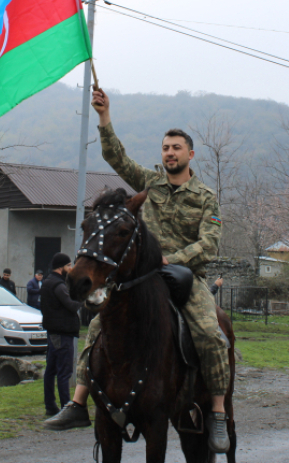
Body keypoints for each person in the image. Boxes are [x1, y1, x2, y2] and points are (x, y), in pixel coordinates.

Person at [45, 87, 230, 453]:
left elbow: (210, 244)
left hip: (185, 278)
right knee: (98, 326)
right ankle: (79, 403)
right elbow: (116, 156)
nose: (170, 153)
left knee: (210, 334)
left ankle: (218, 413)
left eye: (176, 148)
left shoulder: (206, 197)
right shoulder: (150, 183)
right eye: (165, 148)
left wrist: (172, 260)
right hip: (139, 279)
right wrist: (104, 116)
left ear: (189, 155)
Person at [41, 253, 82, 417]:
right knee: (64, 372)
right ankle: (66, 408)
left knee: (51, 371)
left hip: (54, 332)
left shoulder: (48, 282)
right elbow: (71, 305)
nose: (71, 269)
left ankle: (50, 406)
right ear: (61, 267)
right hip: (62, 332)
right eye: (69, 266)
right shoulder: (57, 285)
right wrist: (84, 299)